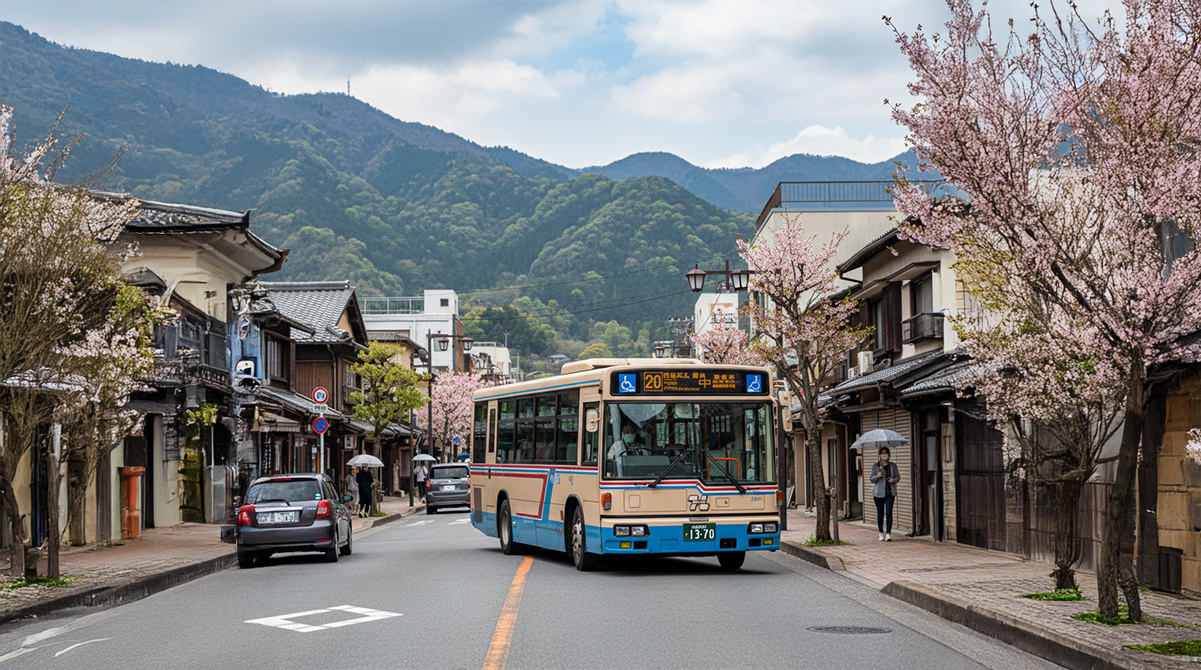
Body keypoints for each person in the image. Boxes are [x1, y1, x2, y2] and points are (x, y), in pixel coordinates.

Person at [870, 446, 900, 541]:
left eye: (886, 453)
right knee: (880, 514)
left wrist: (893, 480)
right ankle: (880, 532)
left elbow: (898, 477)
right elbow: (871, 479)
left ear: (889, 455)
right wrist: (877, 476)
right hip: (878, 493)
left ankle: (888, 533)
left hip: (890, 492)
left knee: (888, 512)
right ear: (879, 455)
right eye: (882, 453)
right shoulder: (876, 466)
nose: (884, 455)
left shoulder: (893, 465)